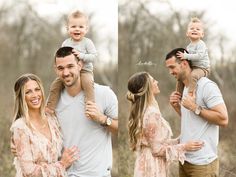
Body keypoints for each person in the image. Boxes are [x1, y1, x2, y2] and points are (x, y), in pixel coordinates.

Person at [51, 46, 118, 177]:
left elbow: (122, 129)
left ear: (80, 65)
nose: (65, 73)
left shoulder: (104, 94)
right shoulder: (53, 101)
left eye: (70, 66)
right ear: (56, 70)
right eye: (61, 68)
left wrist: (102, 119)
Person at [165, 48, 228, 177]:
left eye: (172, 67)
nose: (170, 72)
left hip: (203, 164)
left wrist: (195, 107)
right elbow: (193, 120)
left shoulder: (206, 86)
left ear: (184, 63)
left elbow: (223, 119)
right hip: (184, 160)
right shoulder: (184, 88)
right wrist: (177, 107)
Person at [126, 71, 204, 177]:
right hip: (152, 167)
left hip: (146, 161)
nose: (157, 82)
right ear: (147, 87)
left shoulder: (144, 110)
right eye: (153, 81)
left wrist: (180, 140)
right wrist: (184, 147)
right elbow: (157, 150)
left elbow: (156, 143)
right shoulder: (151, 113)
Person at [10, 73, 79, 177]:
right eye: (28, 92)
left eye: (37, 89)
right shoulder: (21, 128)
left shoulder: (52, 119)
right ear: (21, 97)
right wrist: (62, 165)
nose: (35, 95)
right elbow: (29, 172)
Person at [47, 10, 97, 111]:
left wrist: (81, 55)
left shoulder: (87, 43)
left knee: (87, 83)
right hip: (69, 71)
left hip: (85, 70)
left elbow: (94, 56)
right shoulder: (66, 43)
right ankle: (50, 108)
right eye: (73, 26)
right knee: (55, 85)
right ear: (68, 29)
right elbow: (61, 56)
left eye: (81, 27)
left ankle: (90, 106)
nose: (77, 29)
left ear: (86, 29)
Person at [176, 17, 210, 97]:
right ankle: (178, 95)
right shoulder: (188, 47)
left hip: (202, 68)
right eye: (192, 28)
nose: (194, 30)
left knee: (193, 75)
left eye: (198, 29)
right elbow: (187, 59)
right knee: (181, 75)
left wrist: (186, 56)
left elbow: (199, 56)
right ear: (187, 33)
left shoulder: (201, 44)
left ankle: (190, 94)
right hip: (193, 67)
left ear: (202, 34)